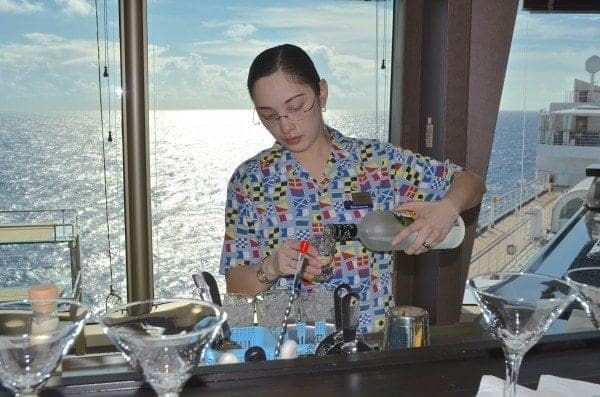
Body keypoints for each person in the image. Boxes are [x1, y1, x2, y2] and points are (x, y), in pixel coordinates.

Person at [219, 44, 485, 333]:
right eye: (269, 115)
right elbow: (236, 287)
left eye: (296, 107)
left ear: (321, 93)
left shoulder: (377, 163)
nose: (286, 126)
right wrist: (271, 267)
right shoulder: (250, 181)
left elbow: (471, 182)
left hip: (369, 347)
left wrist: (446, 209)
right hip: (292, 354)